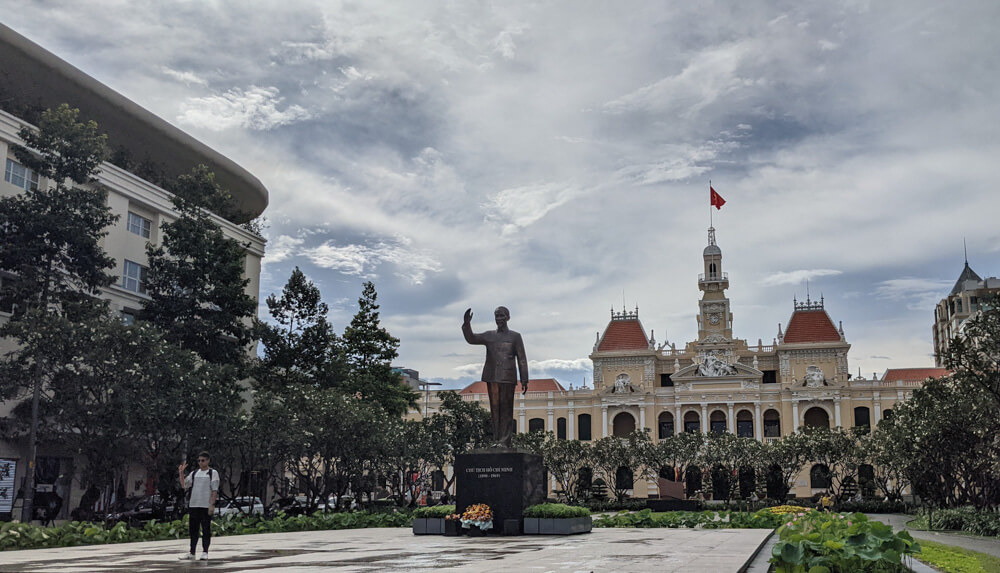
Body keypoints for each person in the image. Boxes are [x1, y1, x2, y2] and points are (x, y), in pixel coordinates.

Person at [462, 306, 529, 448]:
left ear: (508, 317)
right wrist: (467, 324)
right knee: (495, 409)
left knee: (506, 409)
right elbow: (472, 338)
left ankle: (505, 441)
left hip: (508, 377)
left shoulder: (515, 337)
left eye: (502, 316)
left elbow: (522, 359)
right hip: (492, 376)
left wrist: (524, 379)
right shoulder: (489, 335)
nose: (499, 319)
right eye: (497, 316)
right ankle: (497, 440)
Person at [178, 452, 219, 561]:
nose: (201, 462)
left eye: (203, 460)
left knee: (206, 529)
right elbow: (184, 485)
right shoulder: (195, 473)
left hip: (205, 506)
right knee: (193, 530)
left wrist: (212, 504)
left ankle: (205, 552)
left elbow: (214, 490)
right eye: (199, 460)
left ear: (208, 460)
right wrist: (181, 473)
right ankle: (192, 552)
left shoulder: (212, 473)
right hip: (194, 505)